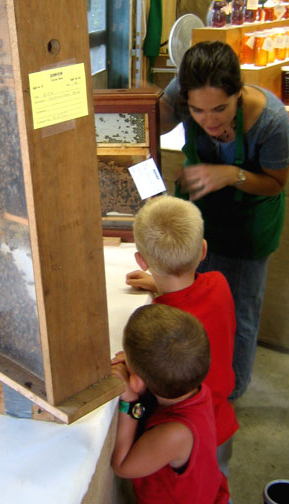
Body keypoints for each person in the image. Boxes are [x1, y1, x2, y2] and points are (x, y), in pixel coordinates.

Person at [157, 40, 289, 400]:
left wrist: (231, 174)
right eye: (198, 111)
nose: (210, 120)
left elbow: (277, 182)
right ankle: (196, 383)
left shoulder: (272, 121)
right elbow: (152, 121)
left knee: (239, 315)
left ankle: (230, 393)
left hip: (248, 227)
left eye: (221, 108)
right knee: (195, 304)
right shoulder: (183, 95)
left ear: (239, 92)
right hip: (198, 217)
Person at [126, 195, 238, 474]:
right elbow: (195, 293)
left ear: (141, 261)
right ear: (202, 250)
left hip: (185, 437)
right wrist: (159, 282)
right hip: (222, 424)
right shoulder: (220, 284)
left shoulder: (159, 327)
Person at [111, 304, 229, 504]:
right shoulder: (195, 385)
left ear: (136, 381)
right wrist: (140, 370)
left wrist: (130, 401)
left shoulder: (175, 433)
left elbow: (122, 466)